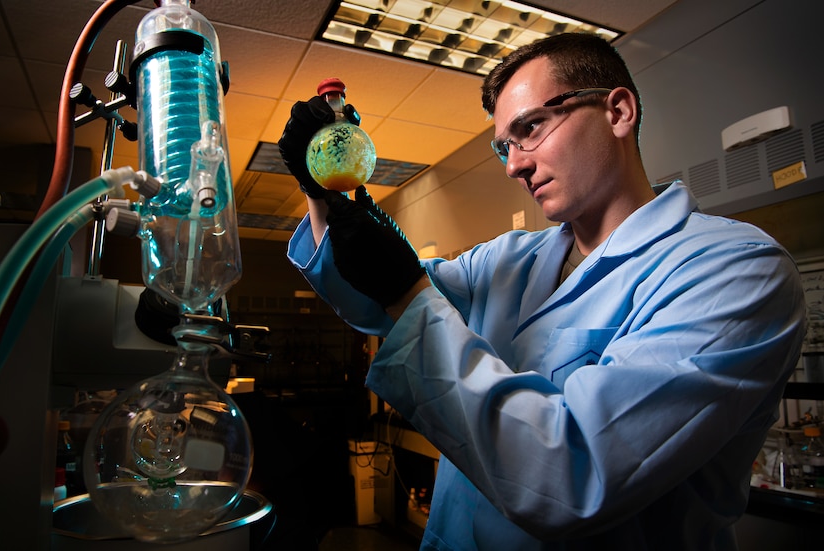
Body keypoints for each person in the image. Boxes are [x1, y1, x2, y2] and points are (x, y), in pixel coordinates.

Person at [278, 32, 806, 550]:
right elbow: (377, 304)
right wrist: (324, 190)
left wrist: (405, 288)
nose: (514, 165)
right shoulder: (508, 258)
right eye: (504, 146)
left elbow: (573, 477)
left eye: (530, 128)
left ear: (618, 111)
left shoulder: (734, 271)